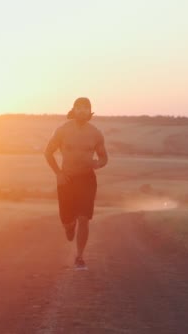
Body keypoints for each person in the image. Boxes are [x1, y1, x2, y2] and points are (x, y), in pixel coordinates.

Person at [44, 97, 109, 270]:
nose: (82, 110)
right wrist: (58, 173)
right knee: (67, 220)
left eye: (85, 108)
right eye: (78, 107)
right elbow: (48, 152)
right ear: (73, 110)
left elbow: (104, 158)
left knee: (84, 218)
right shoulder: (62, 130)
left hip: (87, 179)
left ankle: (79, 257)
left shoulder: (95, 133)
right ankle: (69, 226)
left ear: (90, 112)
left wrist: (98, 163)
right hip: (67, 179)